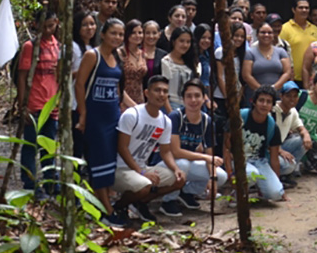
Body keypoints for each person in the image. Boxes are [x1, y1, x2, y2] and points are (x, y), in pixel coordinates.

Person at [111, 74, 184, 224]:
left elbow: (165, 151)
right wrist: (141, 172)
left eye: (165, 91)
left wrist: (176, 169)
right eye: (157, 90)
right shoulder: (133, 114)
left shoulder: (165, 121)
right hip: (121, 169)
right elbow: (122, 147)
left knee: (177, 180)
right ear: (146, 93)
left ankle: (140, 202)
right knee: (145, 185)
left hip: (142, 168)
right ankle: (117, 207)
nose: (161, 94)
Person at [75, 18, 124, 220]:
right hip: (95, 118)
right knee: (98, 162)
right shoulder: (91, 55)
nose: (117, 38)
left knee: (110, 162)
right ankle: (106, 211)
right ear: (103, 33)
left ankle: (101, 204)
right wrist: (83, 114)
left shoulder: (117, 56)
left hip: (113, 116)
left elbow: (118, 87)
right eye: (113, 33)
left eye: (121, 34)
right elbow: (79, 85)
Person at [161, 80, 227, 216]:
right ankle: (168, 200)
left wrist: (213, 179)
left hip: (187, 162)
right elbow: (176, 152)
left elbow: (210, 153)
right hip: (167, 163)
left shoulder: (207, 121)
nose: (193, 100)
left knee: (221, 175)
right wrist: (205, 157)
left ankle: (186, 193)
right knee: (183, 164)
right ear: (183, 99)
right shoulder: (175, 117)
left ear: (204, 98)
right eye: (189, 96)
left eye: (197, 96)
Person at [16, 9, 61, 194]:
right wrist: (22, 104)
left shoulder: (57, 45)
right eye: (45, 26)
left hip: (52, 104)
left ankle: (51, 182)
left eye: (51, 25)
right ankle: (31, 183)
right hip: (34, 103)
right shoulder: (30, 46)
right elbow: (22, 76)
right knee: (30, 146)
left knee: (48, 146)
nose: (48, 30)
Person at [240, 85, 286, 201]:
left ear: (272, 106)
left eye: (268, 102)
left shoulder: (272, 126)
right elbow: (226, 144)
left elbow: (274, 159)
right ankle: (237, 194)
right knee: (251, 174)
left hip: (259, 161)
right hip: (238, 159)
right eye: (261, 100)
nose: (264, 104)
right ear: (254, 102)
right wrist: (230, 169)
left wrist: (279, 185)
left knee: (275, 194)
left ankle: (262, 190)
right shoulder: (242, 116)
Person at [274, 82, 313, 184]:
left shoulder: (293, 111)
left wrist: (306, 135)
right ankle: (275, 177)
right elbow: (266, 137)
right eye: (288, 96)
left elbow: (301, 128)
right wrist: (280, 151)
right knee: (287, 166)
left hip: (280, 145)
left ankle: (285, 175)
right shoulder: (272, 109)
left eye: (295, 96)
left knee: (303, 142)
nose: (292, 99)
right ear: (281, 96)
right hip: (269, 149)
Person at [243, 23, 291, 95]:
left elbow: (287, 73)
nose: (266, 35)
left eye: (269, 33)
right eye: (263, 32)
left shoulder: (281, 51)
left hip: (277, 94)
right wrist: (262, 91)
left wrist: (274, 88)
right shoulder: (250, 53)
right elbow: (246, 76)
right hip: (255, 95)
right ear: (257, 35)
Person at [279, 0, 317, 77]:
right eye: (301, 8)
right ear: (293, 10)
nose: (304, 10)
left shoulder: (315, 29)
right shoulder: (284, 28)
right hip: (292, 77)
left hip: (312, 76)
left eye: (306, 8)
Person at [161, 26, 197, 111]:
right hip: (170, 105)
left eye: (188, 42)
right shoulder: (166, 62)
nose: (185, 45)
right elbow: (163, 89)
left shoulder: (190, 62)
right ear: (173, 42)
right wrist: (170, 112)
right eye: (181, 41)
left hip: (188, 106)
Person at [120, 19, 146, 110]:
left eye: (140, 32)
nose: (137, 36)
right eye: (133, 32)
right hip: (123, 100)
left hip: (140, 99)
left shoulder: (142, 54)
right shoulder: (120, 53)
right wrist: (131, 104)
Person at [194, 24, 215, 100]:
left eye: (209, 38)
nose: (207, 41)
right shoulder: (193, 56)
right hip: (196, 93)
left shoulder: (208, 55)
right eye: (203, 37)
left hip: (207, 93)